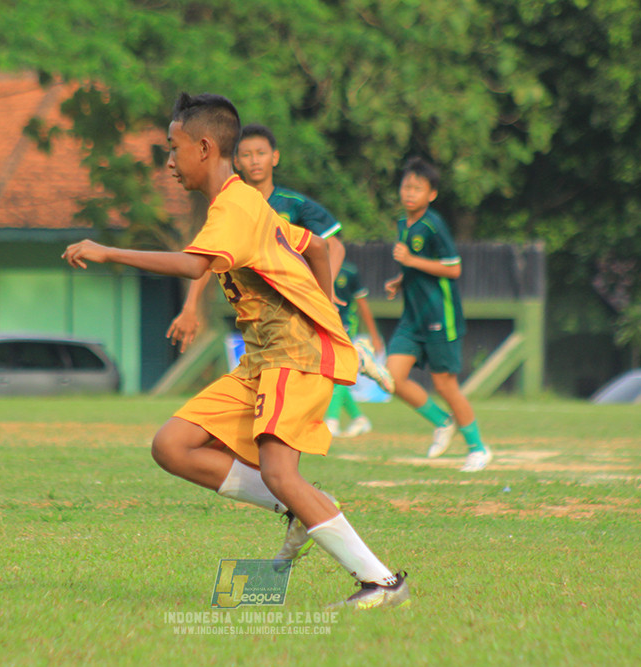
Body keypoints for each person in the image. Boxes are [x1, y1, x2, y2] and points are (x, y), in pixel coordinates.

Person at [63, 92, 409, 609]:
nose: (169, 161)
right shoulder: (246, 201)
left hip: (293, 355)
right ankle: (302, 505)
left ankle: (381, 583)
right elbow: (313, 246)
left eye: (172, 148)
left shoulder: (233, 206)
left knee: (278, 471)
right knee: (172, 445)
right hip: (261, 362)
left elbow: (191, 267)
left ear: (203, 147)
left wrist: (106, 249)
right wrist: (326, 306)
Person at [165, 123, 344, 353]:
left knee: (305, 361)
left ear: (275, 157)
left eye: (261, 153)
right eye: (247, 155)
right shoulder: (229, 206)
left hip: (293, 298)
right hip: (254, 305)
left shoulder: (294, 204)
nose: (255, 161)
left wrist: (325, 292)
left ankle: (356, 359)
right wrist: (190, 307)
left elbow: (334, 246)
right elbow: (207, 256)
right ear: (236, 162)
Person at [384, 157, 491, 472]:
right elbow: (415, 262)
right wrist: (400, 280)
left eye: (418, 188)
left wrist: (412, 263)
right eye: (406, 186)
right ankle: (442, 422)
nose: (410, 193)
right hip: (412, 317)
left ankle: (478, 448)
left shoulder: (434, 224)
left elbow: (453, 268)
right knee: (391, 378)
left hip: (439, 315)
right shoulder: (404, 223)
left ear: (431, 194)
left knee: (445, 385)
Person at [324, 261, 385, 438]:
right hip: (324, 327)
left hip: (346, 329)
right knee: (331, 374)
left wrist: (374, 335)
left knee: (338, 373)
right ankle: (359, 419)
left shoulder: (349, 272)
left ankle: (332, 421)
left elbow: (362, 305)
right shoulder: (314, 267)